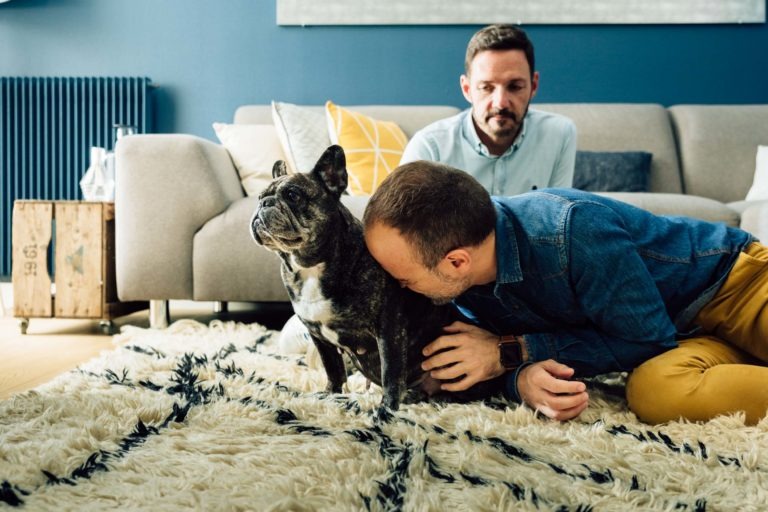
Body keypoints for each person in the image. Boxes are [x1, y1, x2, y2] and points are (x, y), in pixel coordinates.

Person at [363, 160, 768, 425]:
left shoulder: (572, 230)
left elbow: (645, 338)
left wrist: (512, 351)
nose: (398, 287)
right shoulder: (455, 283)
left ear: (456, 261)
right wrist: (520, 379)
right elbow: (484, 359)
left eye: (404, 277)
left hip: (736, 286)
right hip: (685, 339)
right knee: (653, 393)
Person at [400, 24, 577, 196]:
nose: (500, 103)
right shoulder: (430, 148)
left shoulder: (560, 134)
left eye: (515, 86)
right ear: (467, 89)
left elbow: (558, 216)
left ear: (534, 85)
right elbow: (396, 223)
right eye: (486, 87)